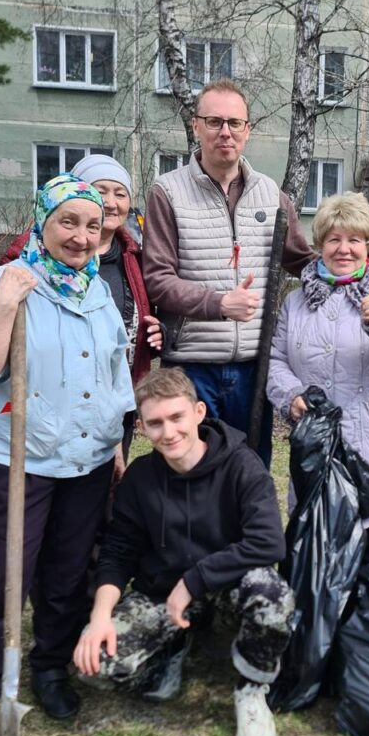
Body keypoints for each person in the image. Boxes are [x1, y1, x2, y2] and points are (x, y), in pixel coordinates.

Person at [0, 174, 134, 736]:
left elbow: (115, 374)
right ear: (43, 224)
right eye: (68, 223)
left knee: (66, 574)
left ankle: (50, 668)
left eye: (92, 224)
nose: (81, 236)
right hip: (22, 460)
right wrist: (5, 305)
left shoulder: (98, 289)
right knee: (5, 578)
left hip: (90, 459)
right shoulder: (8, 279)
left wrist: (118, 445)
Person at [73, 367, 294, 736]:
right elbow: (118, 551)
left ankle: (252, 690)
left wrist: (193, 581)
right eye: (155, 423)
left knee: (272, 597)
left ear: (199, 412)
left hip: (228, 588)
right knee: (98, 666)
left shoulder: (242, 466)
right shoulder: (140, 478)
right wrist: (100, 616)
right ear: (140, 427)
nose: (168, 432)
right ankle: (173, 648)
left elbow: (269, 543)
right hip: (161, 595)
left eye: (177, 417)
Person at [142, 78, 314, 466]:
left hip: (254, 369)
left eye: (235, 123)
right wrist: (219, 304)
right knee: (194, 471)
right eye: (215, 121)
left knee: (250, 473)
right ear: (196, 126)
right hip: (192, 364)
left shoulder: (272, 195)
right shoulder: (167, 192)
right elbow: (158, 279)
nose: (225, 132)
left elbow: (303, 261)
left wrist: (366, 274)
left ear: (247, 131)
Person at [266, 192, 369, 562]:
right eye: (334, 239)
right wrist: (290, 395)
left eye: (354, 239)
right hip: (318, 451)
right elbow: (276, 360)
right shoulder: (296, 302)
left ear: (368, 245)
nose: (344, 249)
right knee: (318, 558)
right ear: (320, 244)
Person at [1, 154, 163, 458]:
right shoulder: (32, 257)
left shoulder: (136, 257)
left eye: (121, 193)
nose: (112, 203)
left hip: (114, 402)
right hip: (49, 405)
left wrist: (156, 335)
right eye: (101, 190)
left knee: (103, 493)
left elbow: (139, 320)